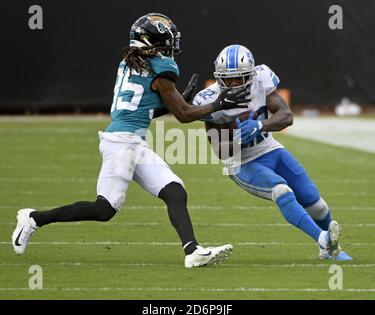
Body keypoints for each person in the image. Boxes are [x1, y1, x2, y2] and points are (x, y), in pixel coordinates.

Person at [12, 14, 250, 268]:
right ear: (153, 42)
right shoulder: (162, 68)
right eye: (167, 41)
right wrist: (217, 103)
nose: (171, 47)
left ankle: (192, 251)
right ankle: (34, 218)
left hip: (131, 141)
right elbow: (184, 116)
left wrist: (178, 102)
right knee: (105, 209)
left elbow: (145, 109)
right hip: (122, 143)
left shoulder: (129, 62)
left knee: (174, 190)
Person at [193, 44, 352, 260]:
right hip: (243, 162)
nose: (231, 83)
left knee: (316, 204)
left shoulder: (262, 79)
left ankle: (331, 250)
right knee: (281, 191)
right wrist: (237, 141)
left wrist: (261, 126)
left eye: (238, 78)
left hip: (271, 149)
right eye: (226, 78)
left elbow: (287, 115)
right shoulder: (209, 99)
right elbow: (219, 150)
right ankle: (322, 240)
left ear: (250, 75)